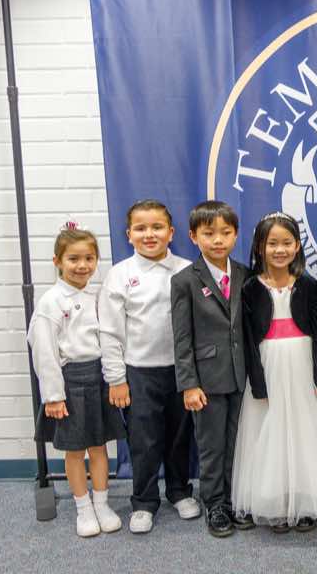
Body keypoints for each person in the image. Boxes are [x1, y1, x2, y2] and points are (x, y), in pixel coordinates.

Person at [232, 212, 317, 533]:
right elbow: (248, 339)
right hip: (268, 364)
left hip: (302, 365)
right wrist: (257, 382)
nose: (280, 250)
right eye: (272, 243)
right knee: (269, 432)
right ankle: (275, 501)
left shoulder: (308, 285)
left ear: (298, 246)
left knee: (304, 431)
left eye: (287, 243)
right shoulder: (250, 288)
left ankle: (305, 502)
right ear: (260, 247)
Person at [98, 199, 199, 533]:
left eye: (157, 227)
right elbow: (110, 331)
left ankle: (179, 491)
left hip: (181, 370)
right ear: (129, 235)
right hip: (139, 372)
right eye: (141, 228)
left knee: (179, 435)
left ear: (171, 232)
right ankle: (143, 501)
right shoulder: (120, 275)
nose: (149, 234)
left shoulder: (187, 269)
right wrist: (116, 378)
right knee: (144, 440)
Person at [28, 222, 125, 537]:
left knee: (99, 446)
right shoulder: (51, 301)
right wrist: (53, 396)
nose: (82, 265)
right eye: (73, 259)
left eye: (89, 258)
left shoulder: (98, 295)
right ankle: (83, 507)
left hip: (98, 376)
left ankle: (102, 503)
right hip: (70, 382)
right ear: (57, 261)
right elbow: (44, 352)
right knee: (75, 450)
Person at [171, 201, 252, 538]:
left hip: (241, 375)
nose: (218, 240)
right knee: (211, 446)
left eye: (225, 233)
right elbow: (182, 337)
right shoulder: (184, 281)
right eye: (209, 233)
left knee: (237, 442)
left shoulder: (245, 274)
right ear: (194, 237)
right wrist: (189, 384)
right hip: (206, 380)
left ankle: (234, 500)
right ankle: (214, 503)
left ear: (235, 235)